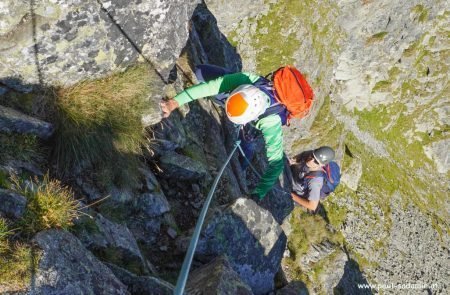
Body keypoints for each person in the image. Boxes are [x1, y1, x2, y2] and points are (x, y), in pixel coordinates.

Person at [160, 64, 286, 200]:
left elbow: (277, 164)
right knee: (199, 72)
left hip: (255, 119)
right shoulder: (245, 79)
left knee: (248, 144)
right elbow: (209, 87)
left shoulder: (271, 123)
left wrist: (259, 192)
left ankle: (242, 167)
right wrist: (174, 103)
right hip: (238, 92)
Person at [290, 146, 336, 212]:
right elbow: (297, 158)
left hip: (296, 192)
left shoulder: (315, 181)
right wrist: (291, 161)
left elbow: (312, 206)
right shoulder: (310, 155)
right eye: (312, 156)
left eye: (316, 162)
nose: (311, 160)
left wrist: (291, 195)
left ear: (321, 165)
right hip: (295, 178)